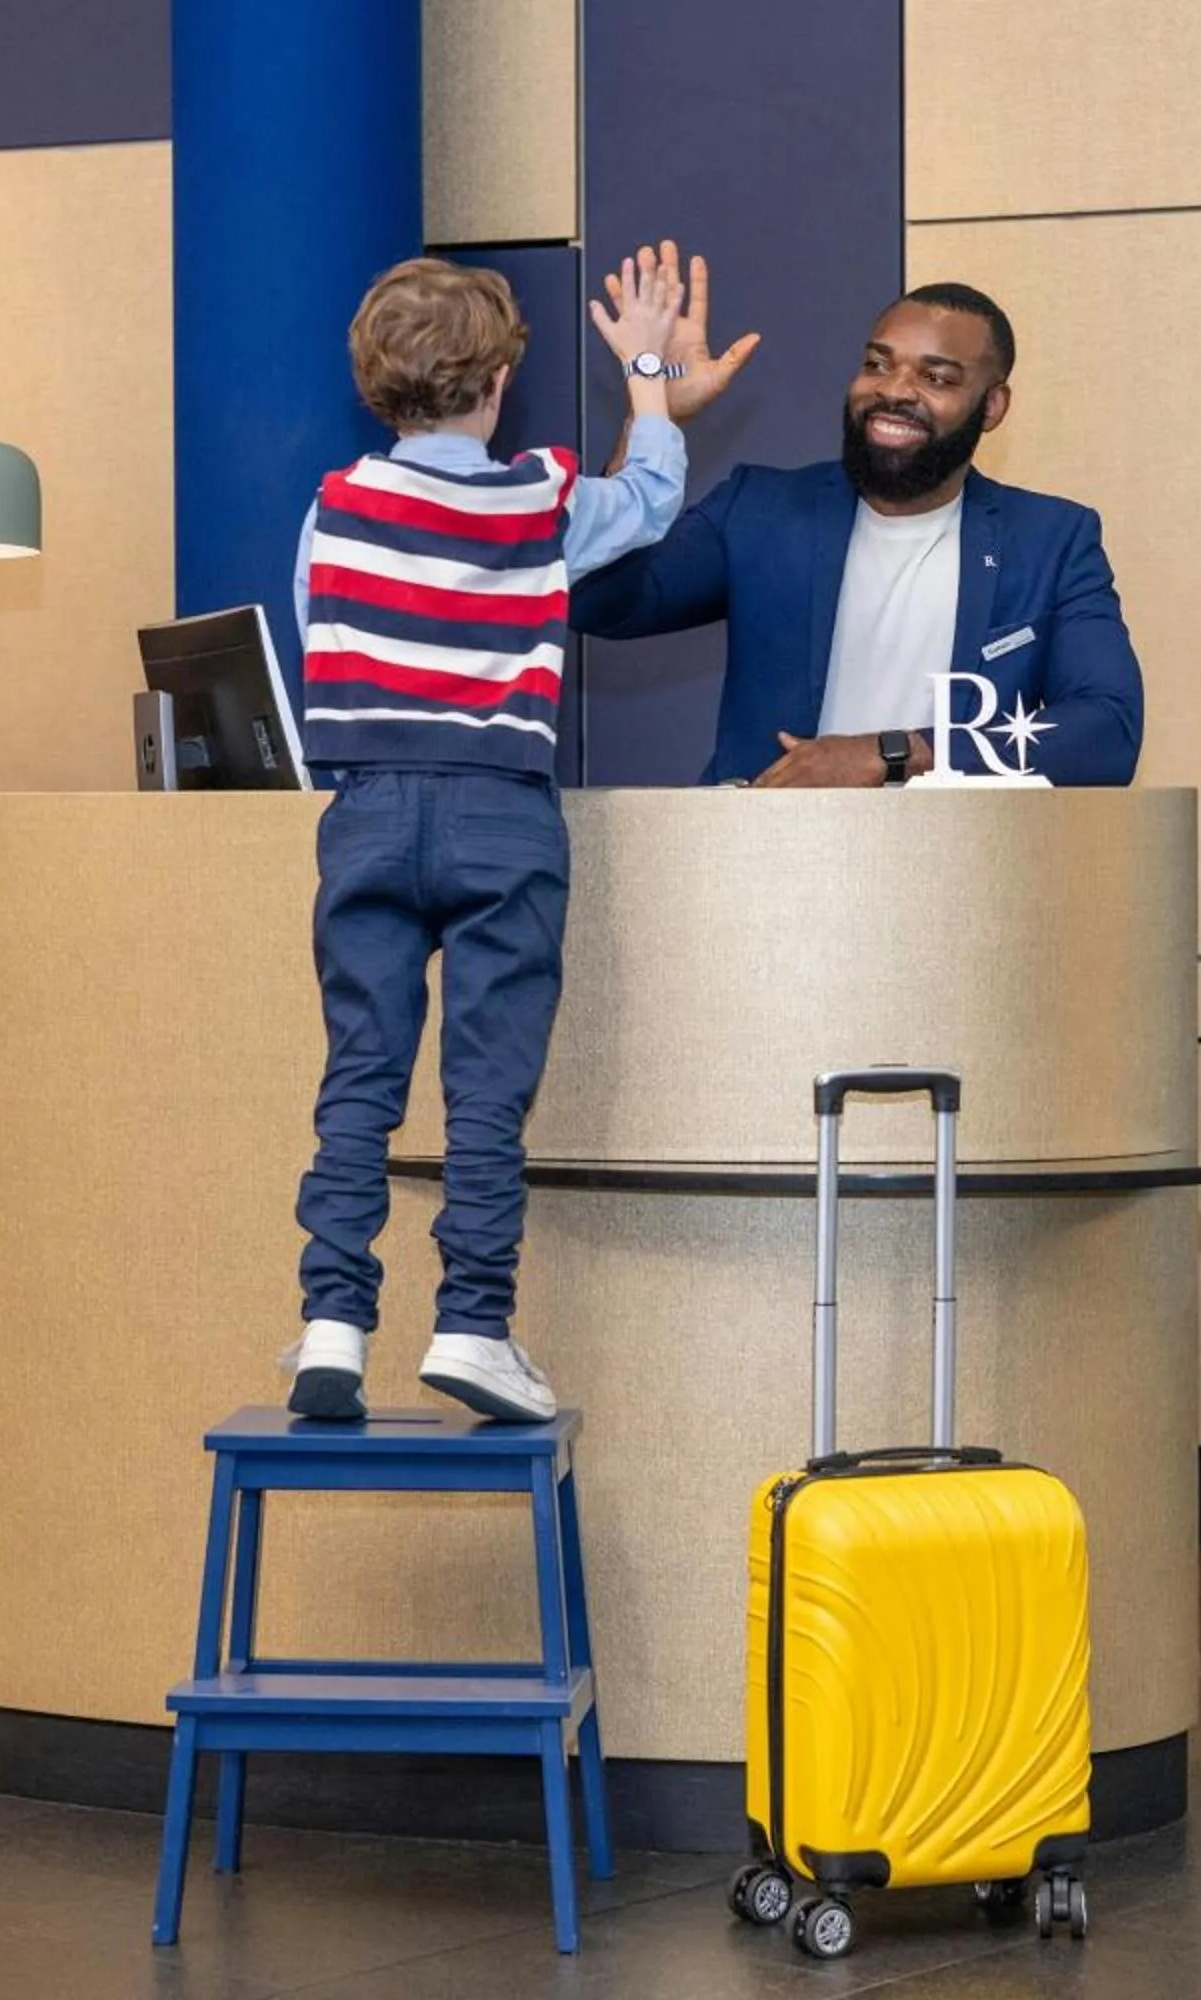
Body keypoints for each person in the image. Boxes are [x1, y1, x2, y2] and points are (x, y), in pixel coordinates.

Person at [280, 253, 686, 1423]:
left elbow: (320, 636)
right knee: (484, 1091)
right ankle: (472, 1325)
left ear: (372, 384)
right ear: (502, 377)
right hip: (501, 813)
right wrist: (647, 372)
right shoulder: (542, 497)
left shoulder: (335, 504)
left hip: (365, 814)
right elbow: (653, 494)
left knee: (360, 1074)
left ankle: (334, 1320)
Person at [572, 250, 1142, 789]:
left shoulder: (1050, 541)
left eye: (936, 377)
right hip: (762, 862)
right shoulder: (760, 510)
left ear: (992, 406)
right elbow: (600, 598)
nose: (894, 390)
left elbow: (1105, 732)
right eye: (877, 364)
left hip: (960, 870)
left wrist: (893, 754)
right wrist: (650, 417)